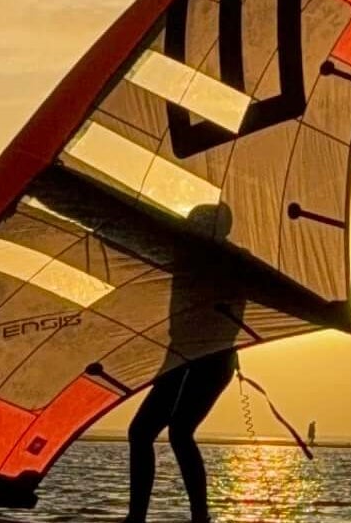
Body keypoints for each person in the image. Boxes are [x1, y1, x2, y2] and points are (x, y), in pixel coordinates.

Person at [126, 204, 243, 523]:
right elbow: (132, 237)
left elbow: (274, 290)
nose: (193, 227)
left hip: (212, 359)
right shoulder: (182, 254)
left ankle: (198, 516)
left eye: (200, 224)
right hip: (180, 355)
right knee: (141, 432)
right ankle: (138, 517)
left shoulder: (234, 261)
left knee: (178, 432)